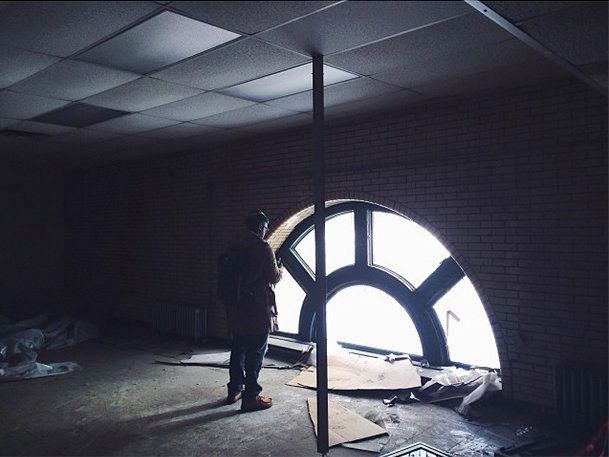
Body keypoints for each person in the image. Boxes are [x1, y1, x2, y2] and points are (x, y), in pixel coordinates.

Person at [225, 210, 282, 412]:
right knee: (256, 351)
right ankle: (251, 397)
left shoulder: (233, 246)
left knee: (238, 348)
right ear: (261, 227)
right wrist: (280, 271)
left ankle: (234, 390)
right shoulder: (262, 248)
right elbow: (273, 277)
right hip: (256, 307)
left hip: (236, 307)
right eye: (265, 228)